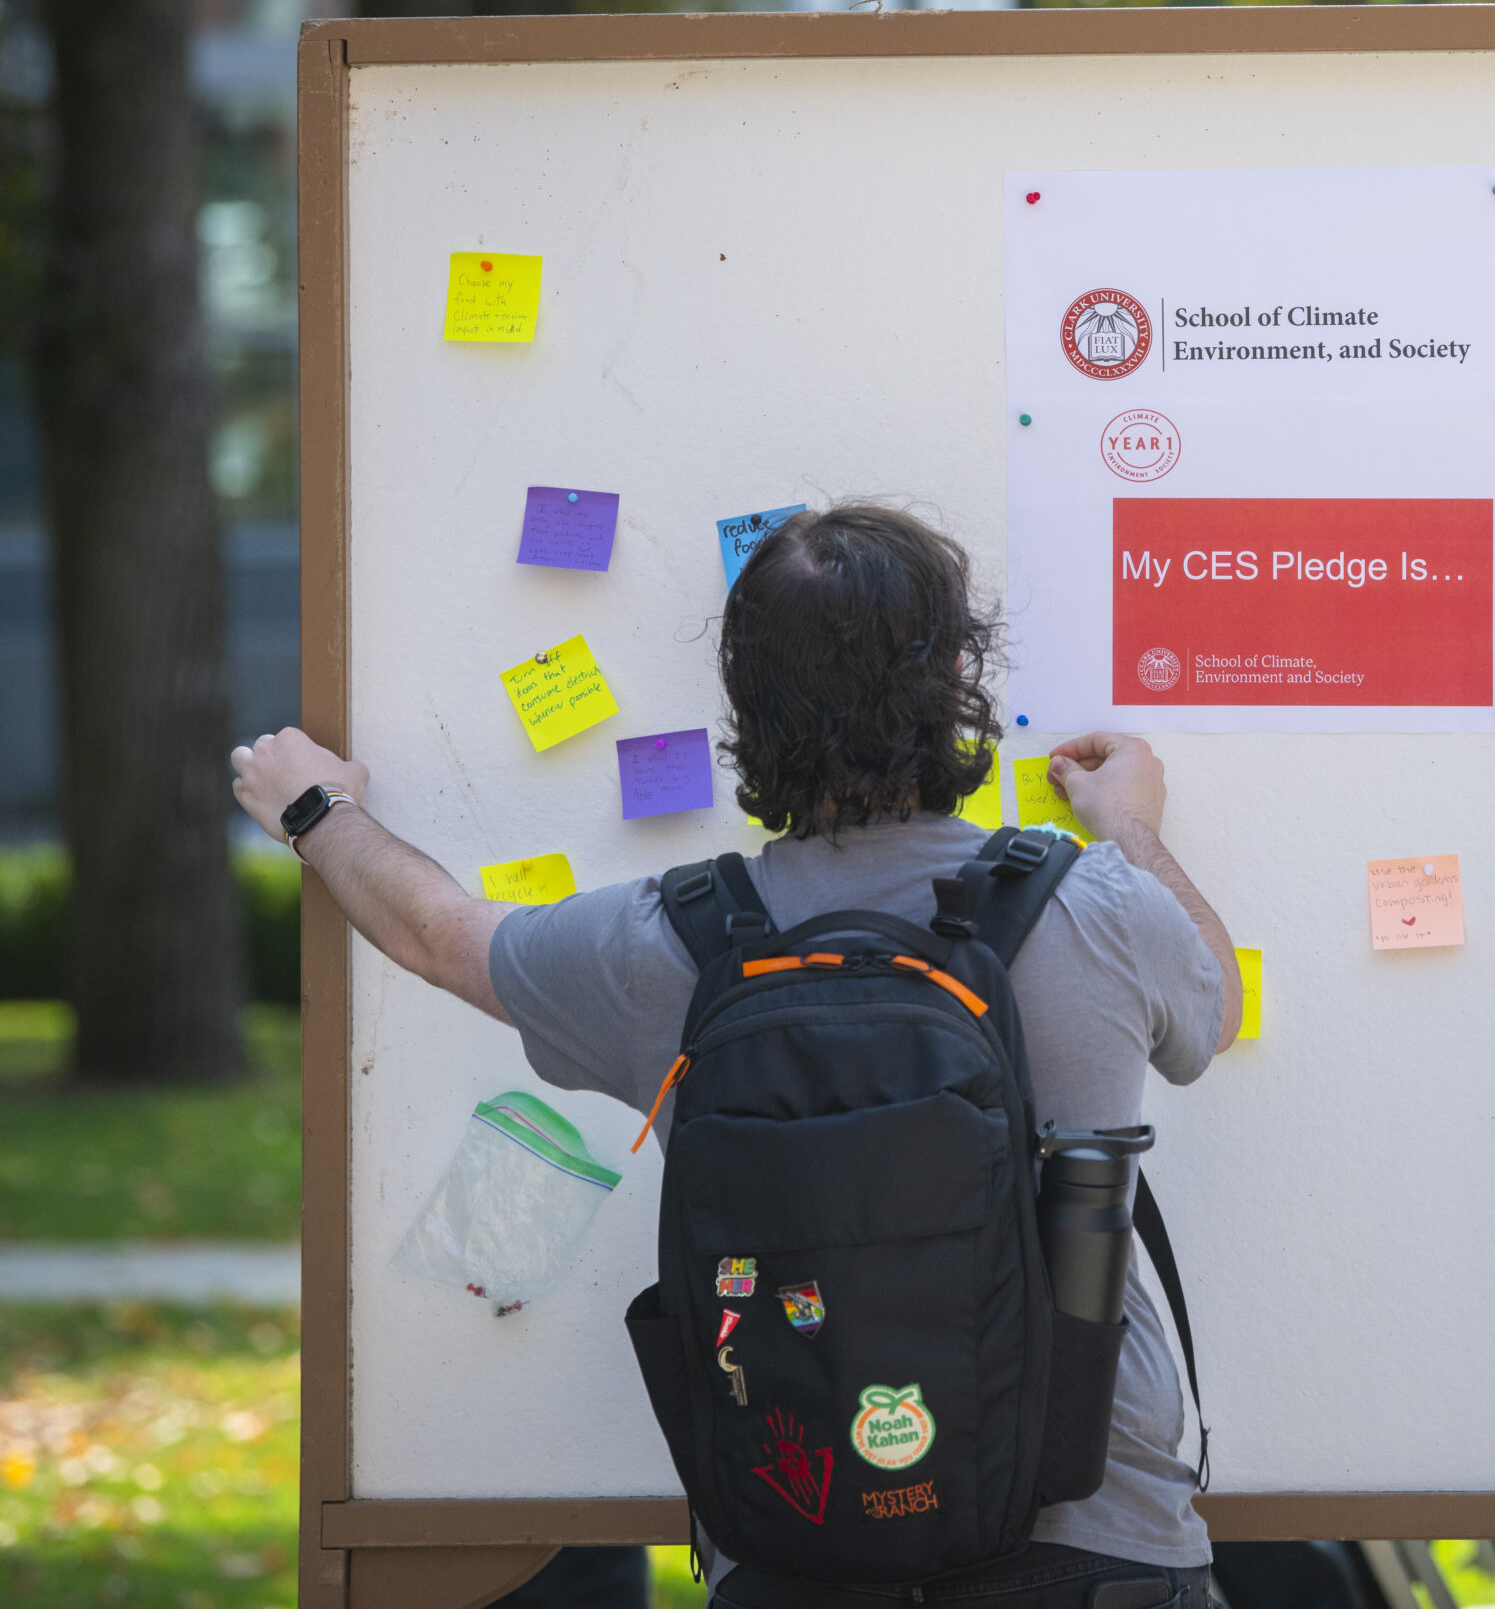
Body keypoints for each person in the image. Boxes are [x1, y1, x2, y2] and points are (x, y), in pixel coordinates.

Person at [230, 503, 1241, 1609]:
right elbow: (1215, 1004)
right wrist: (1130, 824)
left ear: (744, 707)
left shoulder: (667, 943)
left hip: (795, 1534)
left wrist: (317, 811)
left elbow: (439, 937)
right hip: (1098, 1535)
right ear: (958, 674)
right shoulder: (1095, 908)